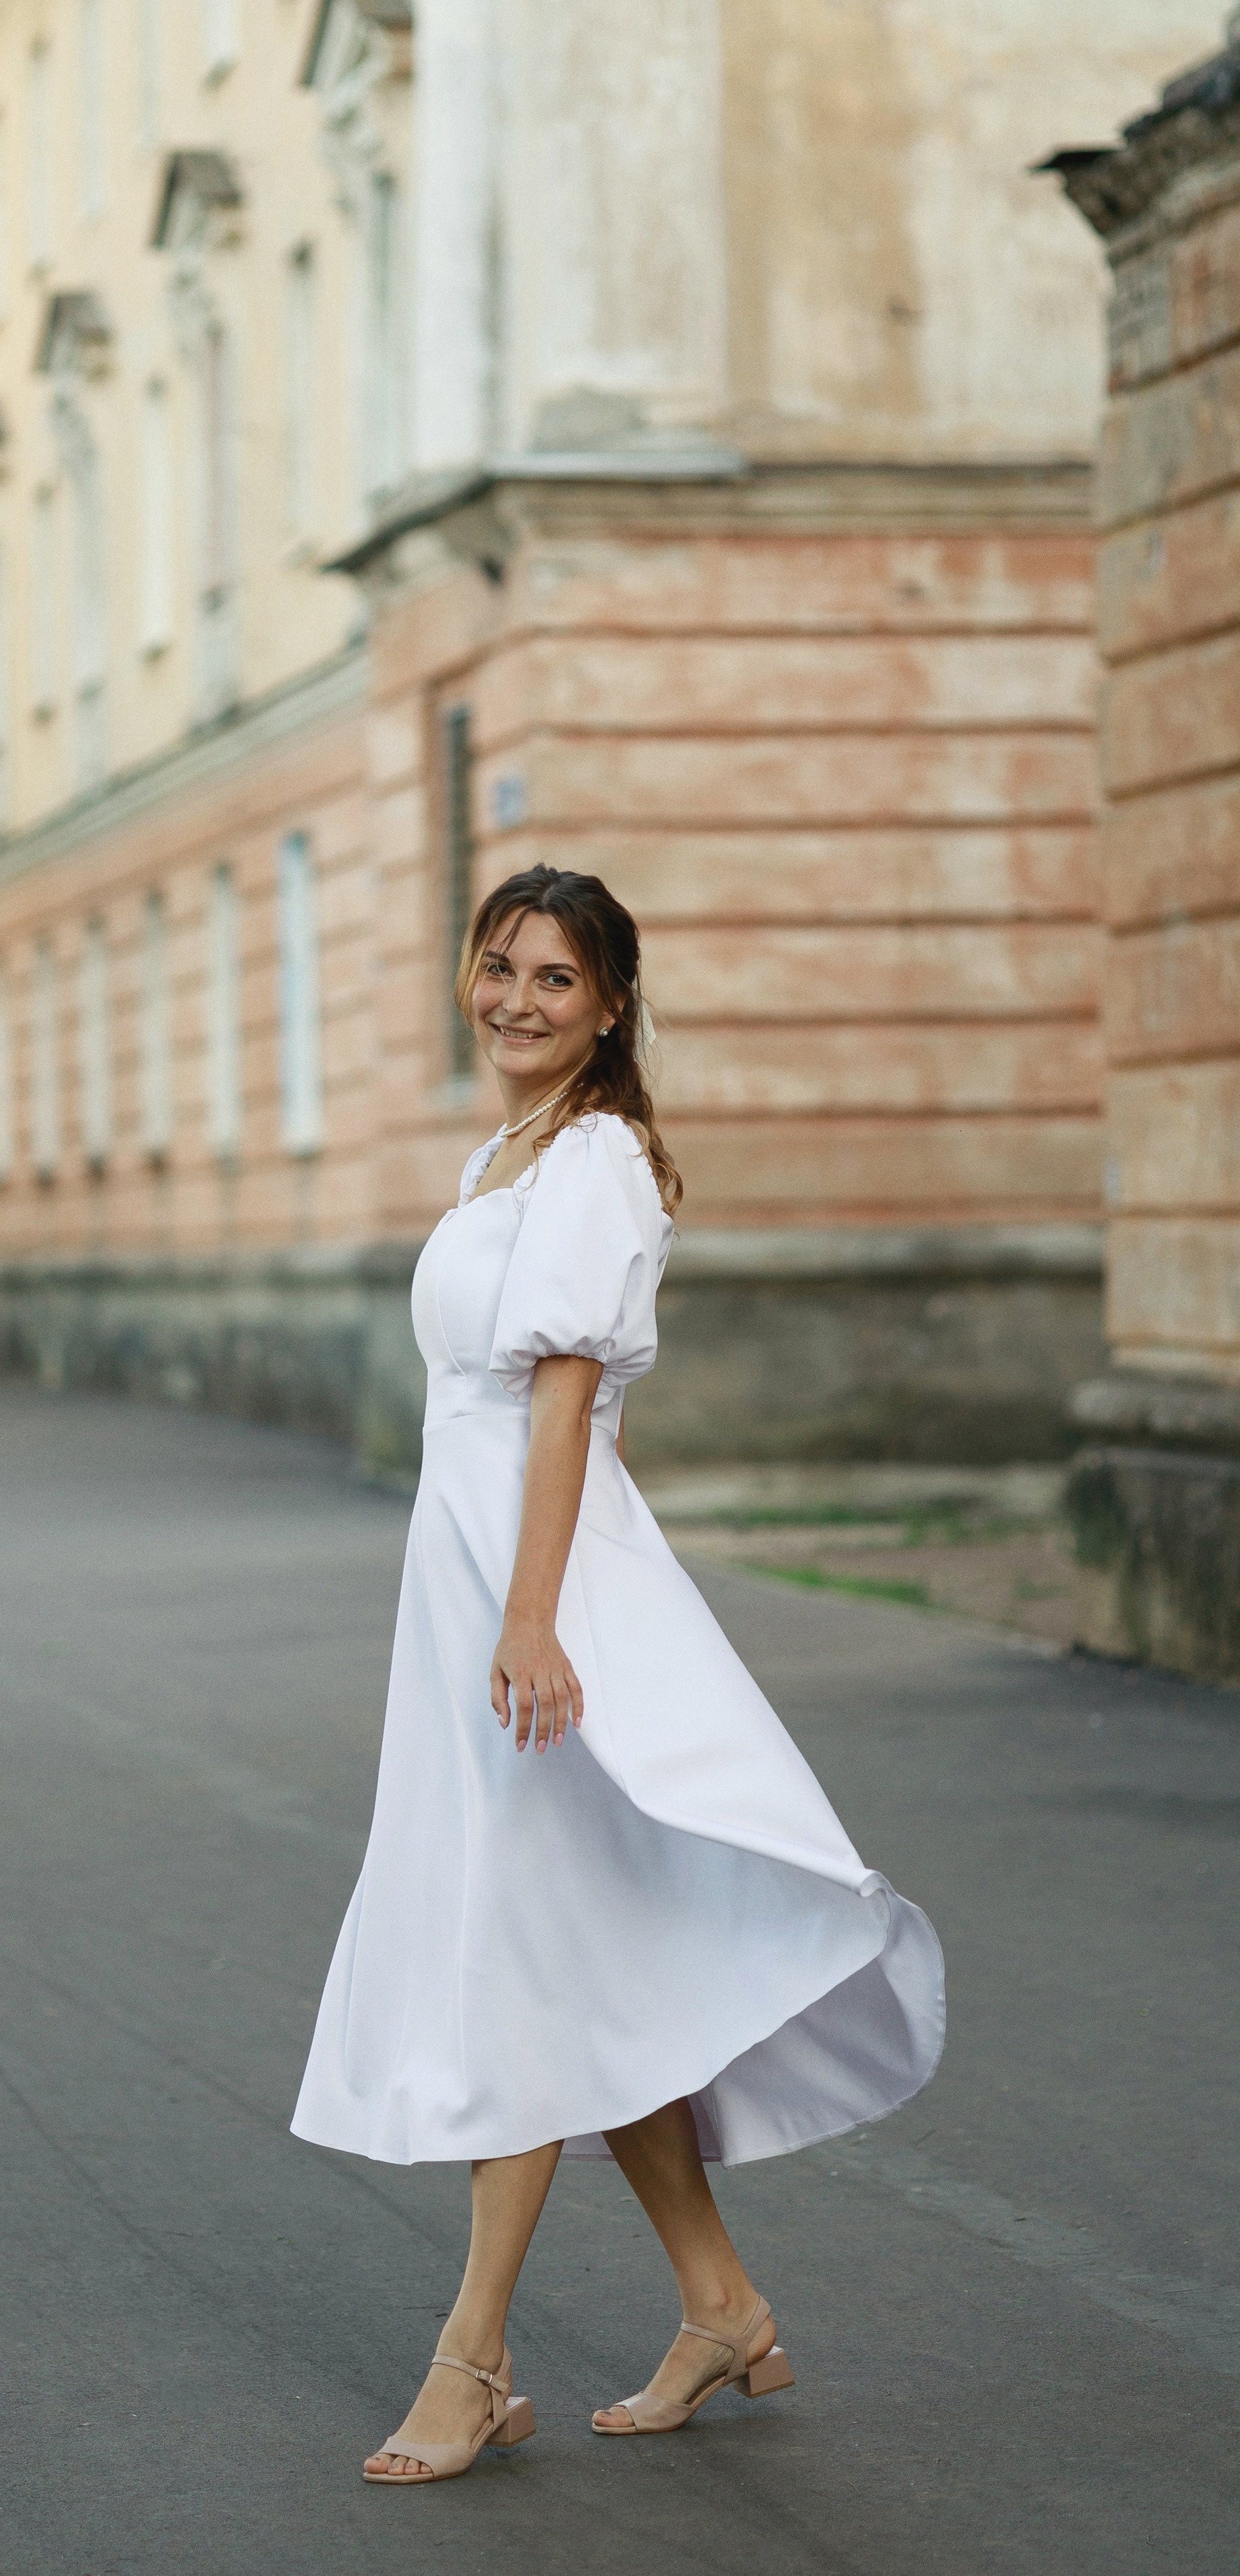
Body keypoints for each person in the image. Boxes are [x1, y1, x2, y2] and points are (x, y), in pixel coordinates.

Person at [290, 864, 945, 2485]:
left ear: (608, 1006)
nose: (517, 998)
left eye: (556, 979)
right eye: (497, 964)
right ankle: (718, 2303)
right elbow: (513, 1406)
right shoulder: (502, 1152)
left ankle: (469, 2360)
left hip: (529, 1596)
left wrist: (535, 1619)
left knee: (518, 1949)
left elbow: (567, 1407)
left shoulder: (592, 1162)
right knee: (572, 1943)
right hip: (468, 1582)